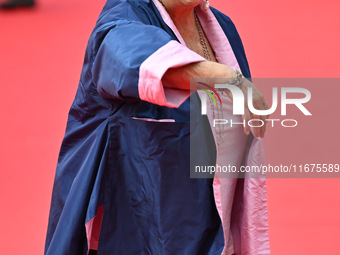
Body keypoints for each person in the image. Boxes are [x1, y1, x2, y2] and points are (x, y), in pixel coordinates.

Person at [44, 0, 270, 254]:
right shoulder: (124, 19)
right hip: (137, 231)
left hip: (214, 228)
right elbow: (132, 57)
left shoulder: (222, 28)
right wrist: (229, 79)